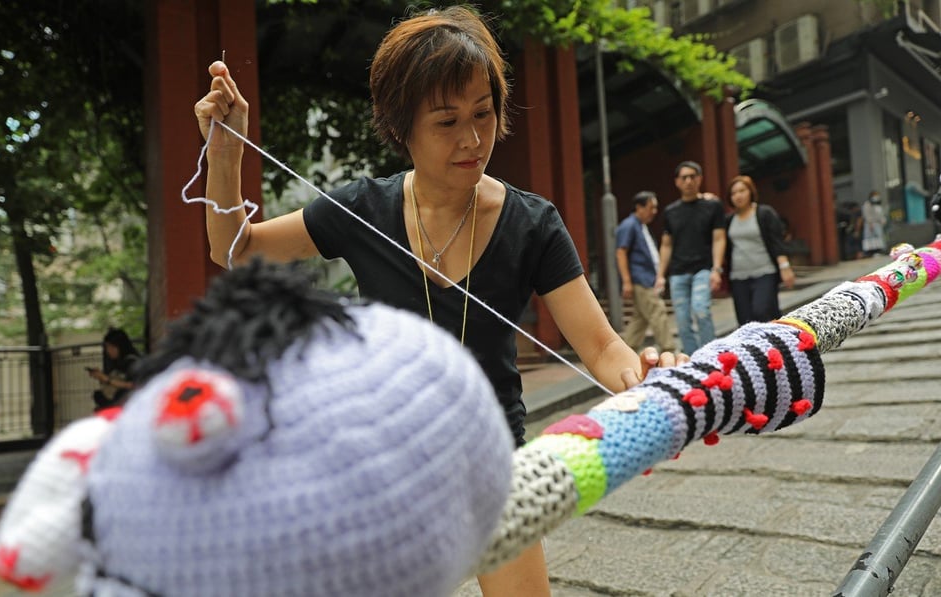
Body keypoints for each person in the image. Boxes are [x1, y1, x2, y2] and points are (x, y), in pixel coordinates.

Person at [194, 6, 678, 596]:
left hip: (491, 463)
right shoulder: (362, 208)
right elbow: (235, 249)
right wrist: (225, 157)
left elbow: (602, 346)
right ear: (402, 128)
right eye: (447, 122)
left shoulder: (533, 224)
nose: (473, 140)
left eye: (483, 113)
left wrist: (648, 379)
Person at [657, 161, 726, 355]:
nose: (688, 181)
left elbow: (719, 238)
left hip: (703, 269)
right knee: (682, 320)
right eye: (684, 177)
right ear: (677, 182)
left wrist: (717, 269)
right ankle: (693, 360)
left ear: (700, 179)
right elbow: (666, 244)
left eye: (692, 177)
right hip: (678, 272)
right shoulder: (671, 211)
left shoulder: (712, 206)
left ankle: (711, 356)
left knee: (701, 310)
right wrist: (661, 275)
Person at [724, 175, 795, 324]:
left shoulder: (764, 213)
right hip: (738, 276)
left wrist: (785, 267)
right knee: (744, 320)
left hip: (764, 272)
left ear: (750, 192)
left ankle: (775, 343)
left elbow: (776, 242)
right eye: (733, 193)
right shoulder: (729, 220)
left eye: (742, 191)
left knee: (762, 310)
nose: (738, 196)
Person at [615, 191, 675, 352]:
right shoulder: (629, 225)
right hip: (640, 279)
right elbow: (621, 252)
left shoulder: (640, 226)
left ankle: (625, 351)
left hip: (645, 278)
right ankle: (668, 349)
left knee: (640, 319)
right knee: (657, 311)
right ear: (639, 208)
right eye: (651, 207)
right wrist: (627, 281)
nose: (654, 211)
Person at [86, 327, 140, 411]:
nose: (109, 351)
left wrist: (107, 379)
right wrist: (101, 377)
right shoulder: (117, 362)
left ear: (120, 346)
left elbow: (134, 385)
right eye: (107, 347)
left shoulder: (132, 362)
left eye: (111, 347)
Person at [861, 190, 887, 256]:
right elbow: (867, 215)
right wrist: (870, 223)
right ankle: (872, 252)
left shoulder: (878, 204)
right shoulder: (867, 204)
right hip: (871, 224)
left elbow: (881, 214)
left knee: (879, 237)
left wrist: (883, 220)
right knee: (871, 238)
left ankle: (880, 251)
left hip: (879, 224)